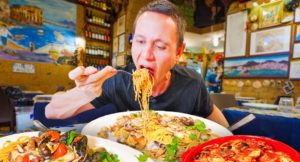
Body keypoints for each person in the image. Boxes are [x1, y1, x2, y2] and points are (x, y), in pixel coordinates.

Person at [45, 0, 229, 128]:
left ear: (178, 53)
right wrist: (83, 92)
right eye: (140, 42)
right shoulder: (118, 81)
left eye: (160, 46)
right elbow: (52, 111)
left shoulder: (192, 84)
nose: (146, 55)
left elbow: (217, 120)